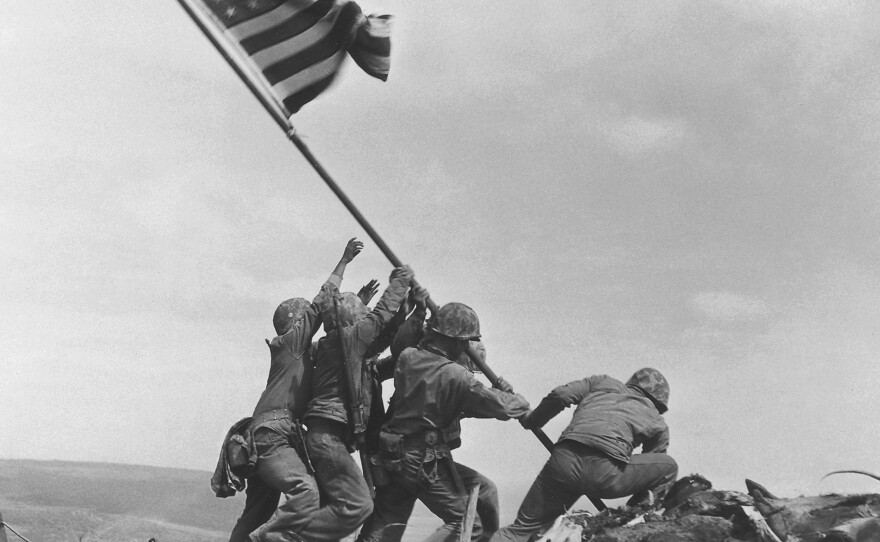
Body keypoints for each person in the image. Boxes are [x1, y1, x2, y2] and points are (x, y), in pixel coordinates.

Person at [357, 303, 530, 542]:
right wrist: (514, 397)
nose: (465, 347)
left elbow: (454, 402)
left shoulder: (409, 358)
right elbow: (502, 407)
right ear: (456, 340)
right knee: (466, 523)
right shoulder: (456, 376)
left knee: (385, 525)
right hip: (422, 460)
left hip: (394, 455)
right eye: (464, 341)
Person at [229, 238, 363, 542]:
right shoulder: (290, 345)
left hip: (269, 434)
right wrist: (343, 263)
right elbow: (321, 304)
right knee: (307, 491)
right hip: (273, 436)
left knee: (258, 510)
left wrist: (355, 307)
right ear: (296, 323)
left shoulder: (298, 355)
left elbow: (333, 340)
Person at [298, 262, 416, 541]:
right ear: (353, 322)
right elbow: (379, 320)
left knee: (334, 509)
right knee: (359, 505)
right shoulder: (348, 341)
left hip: (328, 436)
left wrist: (408, 311)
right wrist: (399, 282)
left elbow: (382, 340)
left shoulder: (336, 347)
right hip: (329, 437)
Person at [490, 368, 678, 542]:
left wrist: (534, 420)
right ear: (658, 402)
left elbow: (561, 395)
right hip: (605, 474)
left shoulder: (602, 382)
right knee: (669, 467)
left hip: (563, 462)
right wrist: (631, 512)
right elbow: (650, 479)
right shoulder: (657, 420)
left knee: (519, 531)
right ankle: (634, 520)